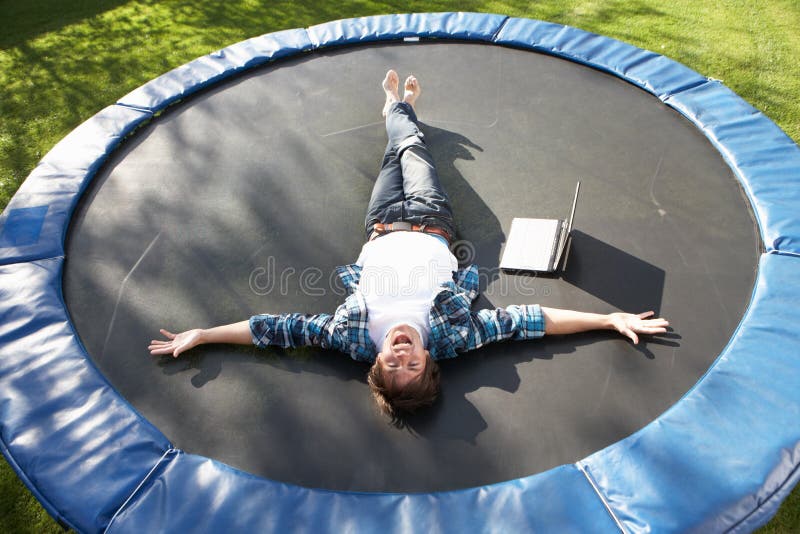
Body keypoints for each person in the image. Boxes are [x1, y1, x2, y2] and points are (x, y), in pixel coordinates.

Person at [149, 70, 669, 422]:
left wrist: (205, 333)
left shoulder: (348, 337)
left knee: (390, 159)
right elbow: (532, 322)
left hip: (378, 225)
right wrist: (608, 320)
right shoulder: (457, 335)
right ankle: (400, 108)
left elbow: (272, 330)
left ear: (375, 364)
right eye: (412, 366)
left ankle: (399, 111)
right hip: (430, 220)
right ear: (428, 360)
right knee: (412, 150)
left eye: (391, 366)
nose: (401, 355)